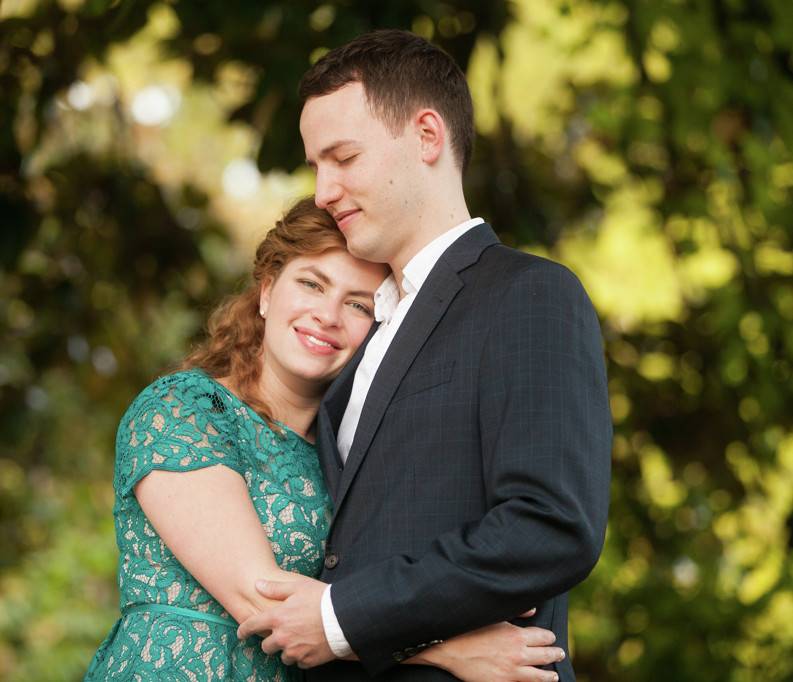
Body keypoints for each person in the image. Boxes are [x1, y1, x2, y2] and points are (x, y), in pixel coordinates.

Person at [239, 30, 613, 680]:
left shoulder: (529, 295)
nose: (323, 190)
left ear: (427, 137)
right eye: (315, 166)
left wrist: (341, 617)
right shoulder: (361, 334)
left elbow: (551, 525)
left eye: (343, 157)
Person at [83, 196, 567, 681]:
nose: (328, 315)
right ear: (267, 292)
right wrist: (449, 649)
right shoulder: (186, 407)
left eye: (357, 304)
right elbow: (262, 599)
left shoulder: (349, 455)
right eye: (311, 284)